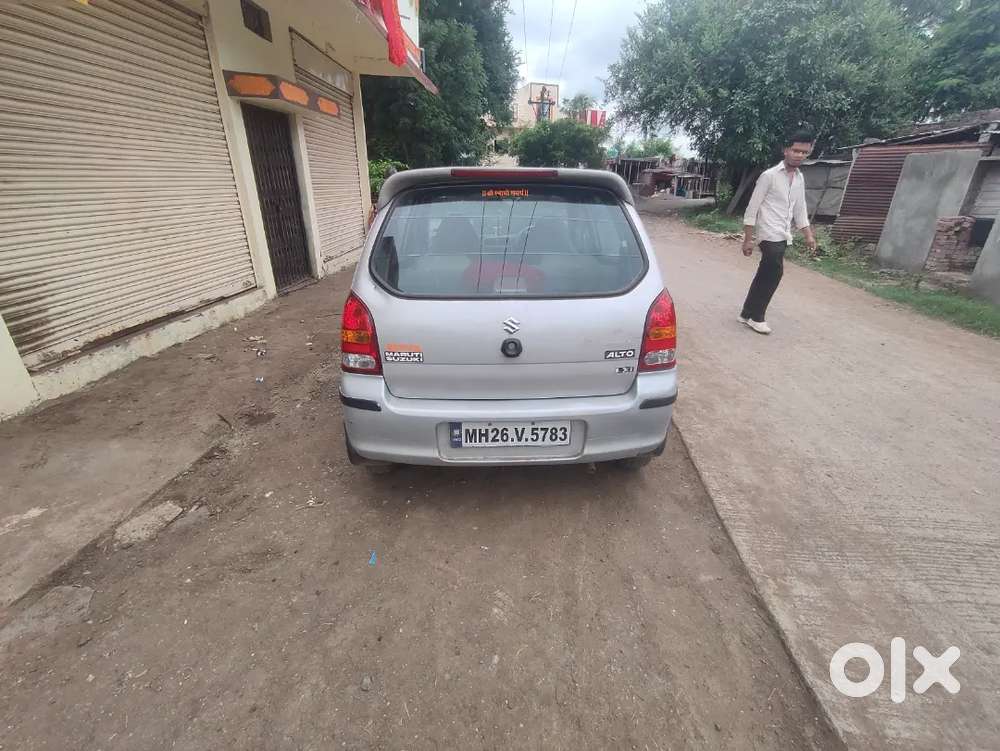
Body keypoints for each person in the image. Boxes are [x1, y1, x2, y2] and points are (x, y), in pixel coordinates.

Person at [738, 129, 817, 335]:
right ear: (785, 150)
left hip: (784, 234)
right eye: (795, 150)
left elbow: (800, 210)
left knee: (765, 272)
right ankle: (757, 317)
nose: (799, 155)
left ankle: (746, 312)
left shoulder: (799, 179)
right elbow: (752, 209)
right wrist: (748, 239)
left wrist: (808, 235)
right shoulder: (769, 176)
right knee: (775, 271)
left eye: (804, 152)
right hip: (767, 233)